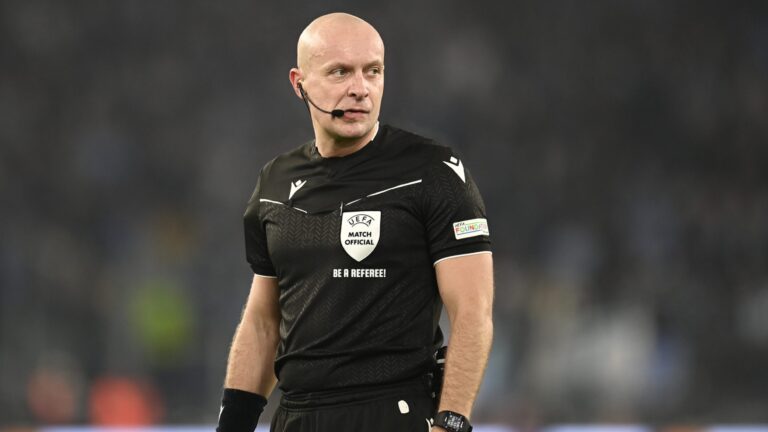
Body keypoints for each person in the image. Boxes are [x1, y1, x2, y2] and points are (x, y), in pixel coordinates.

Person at [216, 12, 494, 432]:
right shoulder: (274, 182)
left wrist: (451, 423)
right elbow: (263, 321)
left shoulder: (434, 173)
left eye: (373, 71)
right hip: (295, 417)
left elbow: (474, 311)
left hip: (393, 413)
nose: (360, 89)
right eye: (340, 72)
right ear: (299, 84)